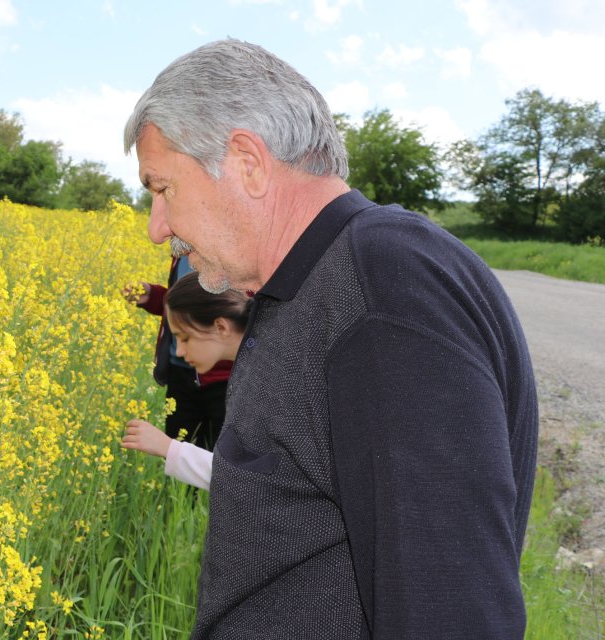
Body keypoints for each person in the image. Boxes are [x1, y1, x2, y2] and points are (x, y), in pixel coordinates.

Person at [123, 39, 537, 639]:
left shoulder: (385, 291)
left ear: (247, 161)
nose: (159, 228)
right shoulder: (305, 290)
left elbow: (450, 610)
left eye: (162, 189)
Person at [121, 272, 250, 490]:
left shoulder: (263, 384)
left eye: (184, 338)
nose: (178, 351)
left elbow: (249, 481)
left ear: (221, 327)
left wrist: (170, 449)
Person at [122, 251, 232, 449]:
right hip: (180, 371)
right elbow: (180, 305)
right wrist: (152, 296)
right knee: (175, 452)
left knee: (216, 459)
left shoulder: (229, 250)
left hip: (222, 379)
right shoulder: (181, 254)